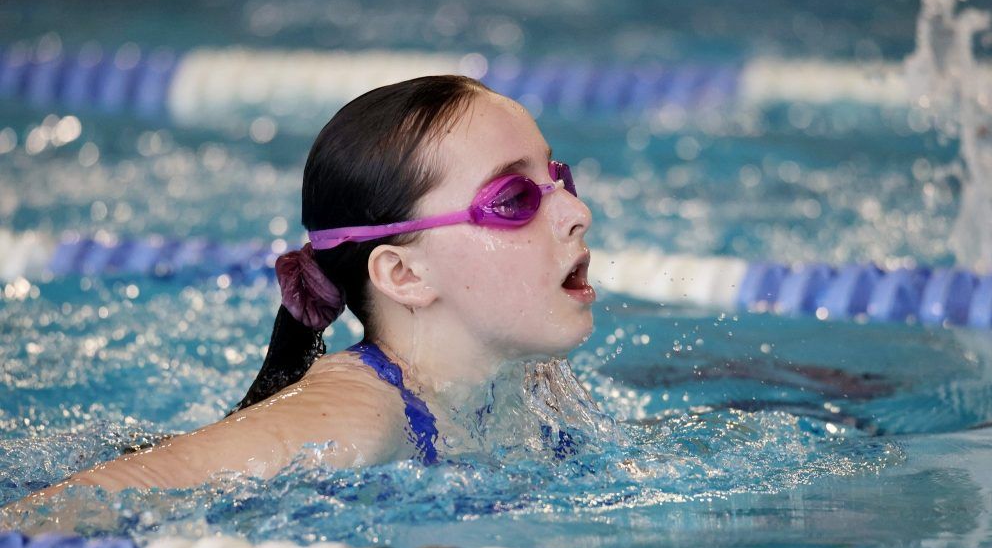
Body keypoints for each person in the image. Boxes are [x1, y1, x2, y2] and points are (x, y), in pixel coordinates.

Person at [16, 75, 596, 501]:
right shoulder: (353, 420)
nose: (576, 212)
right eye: (513, 199)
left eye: (557, 176)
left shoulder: (531, 379)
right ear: (405, 275)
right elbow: (53, 514)